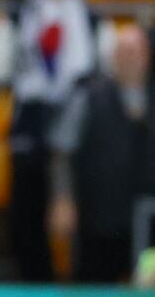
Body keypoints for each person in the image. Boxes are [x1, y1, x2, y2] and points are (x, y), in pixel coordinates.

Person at [0, 0, 101, 282]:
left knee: (80, 191)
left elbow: (98, 70)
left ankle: (85, 274)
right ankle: (33, 275)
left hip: (77, 107)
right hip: (32, 113)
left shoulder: (90, 18)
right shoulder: (18, 15)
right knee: (27, 200)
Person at [49, 24, 155, 283]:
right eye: (123, 52)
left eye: (134, 52)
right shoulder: (89, 96)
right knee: (95, 284)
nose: (129, 59)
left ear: (147, 56)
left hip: (149, 217)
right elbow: (62, 152)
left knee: (146, 285)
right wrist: (63, 198)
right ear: (113, 57)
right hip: (99, 215)